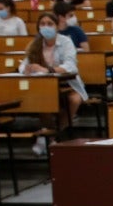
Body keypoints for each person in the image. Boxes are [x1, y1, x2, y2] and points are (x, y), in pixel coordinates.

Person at [21, 13, 86, 143]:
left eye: (50, 24)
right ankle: (48, 132)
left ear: (57, 26)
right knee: (42, 101)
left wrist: (48, 70)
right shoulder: (35, 44)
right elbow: (23, 65)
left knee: (75, 99)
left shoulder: (66, 41)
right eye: (42, 24)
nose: (46, 27)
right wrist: (27, 69)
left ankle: (55, 131)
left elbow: (71, 66)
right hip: (42, 86)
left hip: (66, 83)